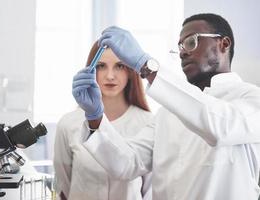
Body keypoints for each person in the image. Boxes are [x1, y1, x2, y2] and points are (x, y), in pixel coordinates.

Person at [72, 13, 260, 200]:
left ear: (224, 44)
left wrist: (146, 66)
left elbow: (219, 126)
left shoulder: (250, 98)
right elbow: (127, 163)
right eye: (180, 47)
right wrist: (95, 116)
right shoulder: (167, 114)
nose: (183, 52)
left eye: (191, 42)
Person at [54, 41, 153, 200]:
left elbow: (149, 191)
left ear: (130, 71)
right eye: (101, 66)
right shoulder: (68, 124)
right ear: (90, 70)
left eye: (119, 66)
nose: (110, 76)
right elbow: (64, 185)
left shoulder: (148, 123)